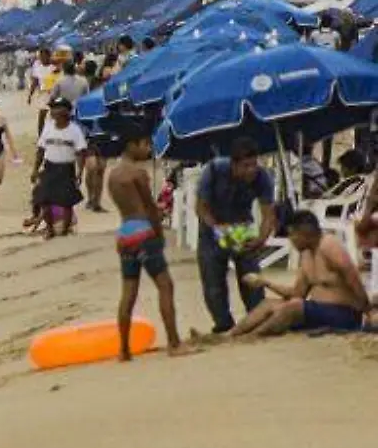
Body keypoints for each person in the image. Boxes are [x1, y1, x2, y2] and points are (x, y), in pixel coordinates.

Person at [106, 128, 190, 359]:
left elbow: (127, 208)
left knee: (128, 293)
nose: (148, 149)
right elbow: (149, 208)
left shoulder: (113, 176)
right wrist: (159, 234)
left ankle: (124, 350)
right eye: (145, 144)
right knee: (165, 286)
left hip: (125, 234)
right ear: (131, 145)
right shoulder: (137, 174)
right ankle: (174, 343)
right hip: (143, 232)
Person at [230, 211, 370, 337]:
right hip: (316, 311)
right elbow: (297, 294)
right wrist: (265, 283)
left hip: (344, 314)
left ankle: (252, 337)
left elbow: (354, 279)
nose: (291, 239)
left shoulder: (329, 245)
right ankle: (232, 334)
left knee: (294, 306)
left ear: (305, 233)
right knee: (268, 304)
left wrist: (368, 311)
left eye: (292, 234)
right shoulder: (306, 255)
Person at [194, 136, 277, 333]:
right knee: (213, 280)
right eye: (246, 166)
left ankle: (256, 318)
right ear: (234, 164)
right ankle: (223, 324)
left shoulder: (263, 177)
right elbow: (200, 207)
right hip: (212, 230)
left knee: (251, 277)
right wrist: (217, 228)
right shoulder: (213, 171)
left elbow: (268, 213)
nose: (251, 170)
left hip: (242, 228)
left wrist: (261, 239)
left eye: (254, 164)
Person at [29, 97, 87, 238]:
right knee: (44, 199)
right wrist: (35, 169)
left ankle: (65, 231)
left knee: (66, 201)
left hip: (67, 167)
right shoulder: (48, 127)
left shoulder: (75, 130)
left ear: (66, 111)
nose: (53, 111)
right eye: (53, 108)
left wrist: (80, 172)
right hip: (50, 167)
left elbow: (81, 152)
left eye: (57, 108)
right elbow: (41, 149)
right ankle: (50, 229)